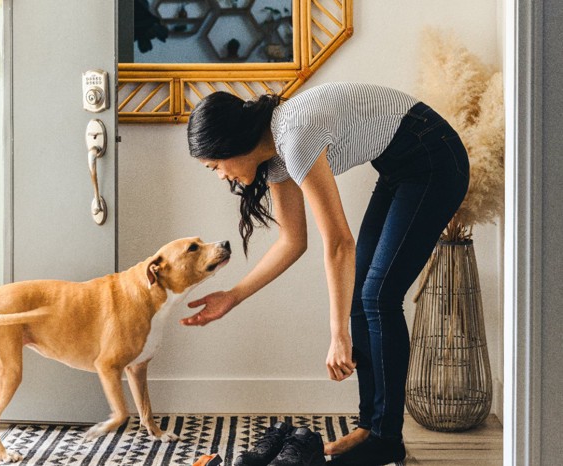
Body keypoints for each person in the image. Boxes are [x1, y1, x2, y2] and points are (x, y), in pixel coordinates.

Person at [182, 82, 470, 466]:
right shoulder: (276, 155)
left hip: (434, 157)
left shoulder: (293, 135)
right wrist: (232, 297)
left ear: (230, 143)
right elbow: (293, 241)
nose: (220, 176)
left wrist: (338, 337)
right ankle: (371, 428)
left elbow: (338, 242)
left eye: (215, 166)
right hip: (401, 169)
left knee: (378, 297)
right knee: (361, 293)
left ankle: (386, 440)